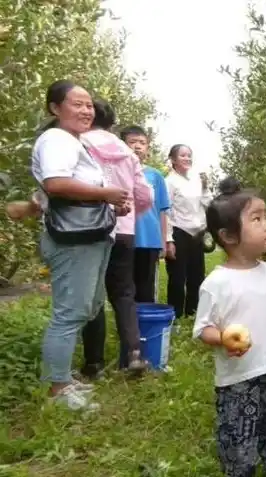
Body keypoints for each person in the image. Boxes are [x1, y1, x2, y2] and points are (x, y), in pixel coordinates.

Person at [193, 177, 266, 476]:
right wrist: (223, 338)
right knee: (239, 443)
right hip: (238, 381)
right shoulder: (216, 284)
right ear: (229, 236)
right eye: (257, 219)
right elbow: (203, 330)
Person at [32, 80, 129, 410]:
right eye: (77, 104)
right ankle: (57, 390)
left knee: (85, 308)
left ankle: (63, 378)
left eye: (89, 104)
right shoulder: (57, 139)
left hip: (87, 236)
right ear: (55, 108)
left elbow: (66, 189)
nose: (86, 110)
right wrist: (106, 194)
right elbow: (56, 183)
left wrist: (110, 202)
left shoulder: (72, 142)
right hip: (72, 241)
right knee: (69, 312)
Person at [80, 101, 153, 378]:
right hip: (123, 229)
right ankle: (134, 353)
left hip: (90, 227)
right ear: (112, 122)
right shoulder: (126, 152)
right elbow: (145, 195)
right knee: (124, 292)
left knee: (93, 292)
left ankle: (94, 362)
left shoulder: (80, 143)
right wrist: (132, 212)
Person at [120, 125, 170, 303]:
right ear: (122, 145)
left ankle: (146, 326)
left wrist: (164, 242)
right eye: (132, 142)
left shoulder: (156, 176)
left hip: (149, 239)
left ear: (147, 148)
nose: (138, 146)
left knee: (146, 288)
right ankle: (129, 327)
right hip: (123, 236)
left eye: (142, 143)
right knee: (124, 287)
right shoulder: (117, 171)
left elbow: (162, 211)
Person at [165, 144, 211, 318]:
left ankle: (192, 314)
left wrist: (206, 186)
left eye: (189, 155)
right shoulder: (169, 181)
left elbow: (207, 203)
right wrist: (169, 239)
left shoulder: (197, 180)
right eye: (183, 155)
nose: (187, 159)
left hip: (197, 234)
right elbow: (166, 211)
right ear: (173, 159)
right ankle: (174, 316)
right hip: (179, 232)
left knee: (197, 276)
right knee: (177, 278)